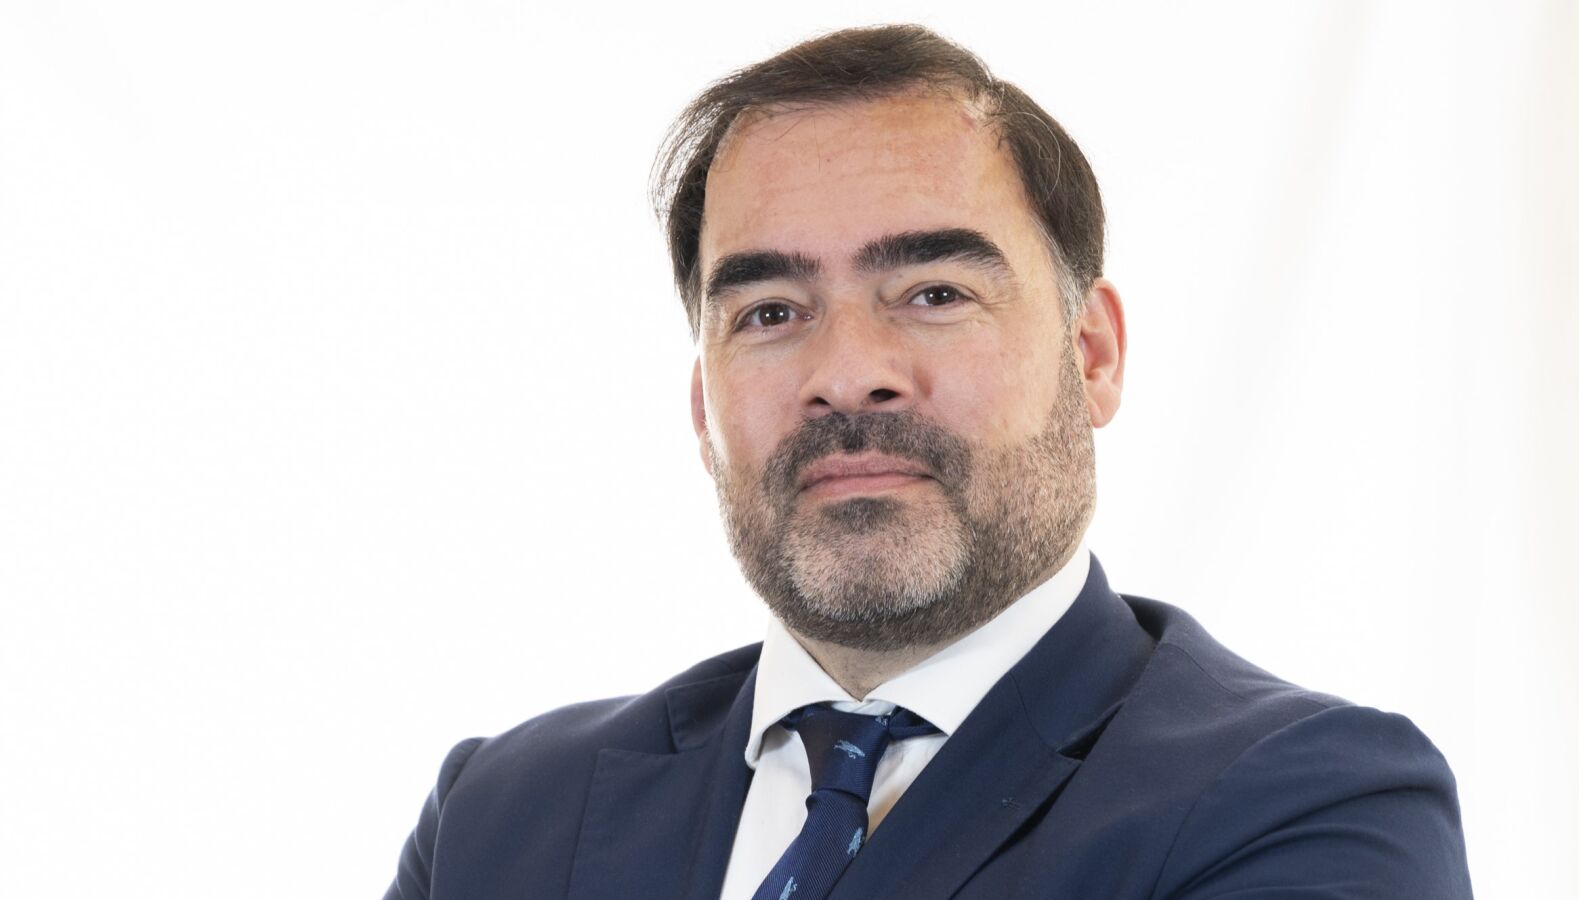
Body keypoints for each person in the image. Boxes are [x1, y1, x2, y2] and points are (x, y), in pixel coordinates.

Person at [384, 24, 1472, 900]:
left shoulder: (1309, 805)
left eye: (934, 293)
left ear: (1091, 356)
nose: (847, 373)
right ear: (704, 408)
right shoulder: (498, 818)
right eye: (770, 311)